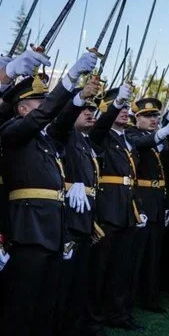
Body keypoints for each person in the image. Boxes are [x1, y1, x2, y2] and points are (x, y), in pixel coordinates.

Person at [0, 51, 97, 335]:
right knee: (22, 305)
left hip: (53, 229)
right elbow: (46, 115)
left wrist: (77, 96)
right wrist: (67, 80)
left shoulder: (46, 140)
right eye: (38, 102)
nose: (45, 107)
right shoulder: (12, 132)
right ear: (22, 109)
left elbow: (62, 121)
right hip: (28, 229)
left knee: (46, 303)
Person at [87, 83, 148, 332]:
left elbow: (132, 177)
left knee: (122, 268)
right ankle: (94, 317)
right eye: (118, 107)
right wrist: (112, 106)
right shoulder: (101, 134)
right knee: (100, 268)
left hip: (127, 209)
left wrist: (137, 207)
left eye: (125, 107)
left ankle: (119, 313)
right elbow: (101, 124)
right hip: (107, 208)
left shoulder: (128, 139)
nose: (123, 111)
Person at [49, 76, 104, 336]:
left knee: (80, 278)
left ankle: (76, 324)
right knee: (64, 280)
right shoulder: (64, 134)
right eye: (85, 110)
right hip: (67, 217)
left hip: (84, 217)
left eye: (92, 110)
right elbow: (60, 126)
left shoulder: (84, 141)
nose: (90, 114)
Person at [125, 98, 169, 313]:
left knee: (154, 254)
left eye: (155, 116)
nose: (153, 120)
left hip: (157, 200)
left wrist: (166, 204)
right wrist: (163, 132)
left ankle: (150, 298)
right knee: (136, 255)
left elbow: (165, 169)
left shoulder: (160, 140)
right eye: (147, 116)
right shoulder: (132, 134)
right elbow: (142, 143)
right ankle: (129, 299)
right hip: (141, 200)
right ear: (136, 118)